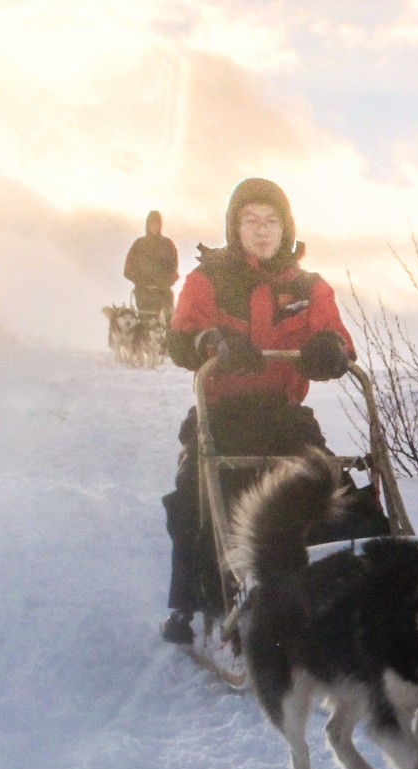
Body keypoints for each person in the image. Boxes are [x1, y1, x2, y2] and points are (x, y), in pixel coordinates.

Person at [159, 177, 356, 644]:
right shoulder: (208, 280)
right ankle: (190, 602)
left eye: (271, 222)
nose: (262, 231)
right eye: (251, 222)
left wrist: (330, 349)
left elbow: (339, 339)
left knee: (329, 482)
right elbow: (182, 335)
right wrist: (214, 342)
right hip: (222, 414)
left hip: (282, 414)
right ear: (235, 228)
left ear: (285, 228)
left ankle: (349, 580)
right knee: (197, 491)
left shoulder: (309, 287)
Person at [123, 210, 179, 323]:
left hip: (163, 292)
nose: (154, 227)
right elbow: (128, 269)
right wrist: (139, 280)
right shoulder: (138, 244)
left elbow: (174, 269)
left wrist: (166, 281)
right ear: (147, 225)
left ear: (160, 225)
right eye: (151, 224)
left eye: (157, 224)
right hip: (143, 292)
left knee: (169, 322)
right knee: (145, 322)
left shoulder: (168, 244)